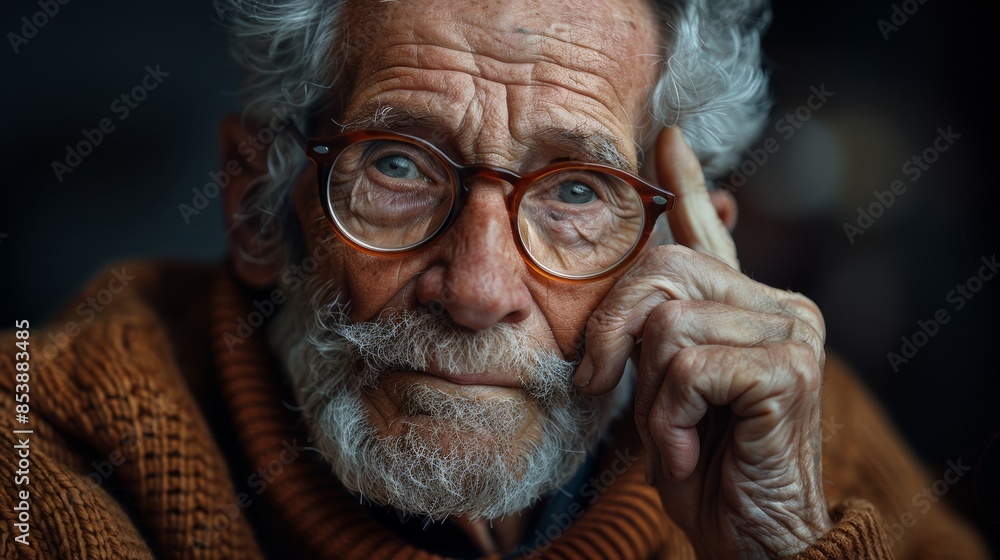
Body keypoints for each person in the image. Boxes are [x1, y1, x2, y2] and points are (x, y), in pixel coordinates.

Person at [0, 0, 989, 558]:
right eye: (396, 163)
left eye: (577, 190)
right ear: (260, 198)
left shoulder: (791, 442)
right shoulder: (42, 452)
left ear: (691, 249)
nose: (477, 288)